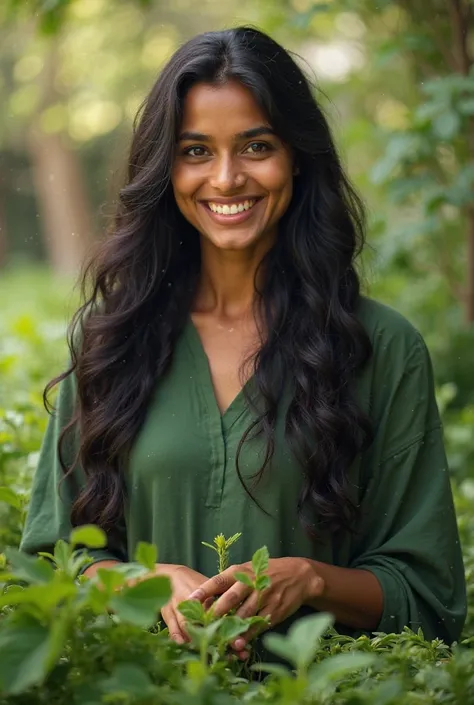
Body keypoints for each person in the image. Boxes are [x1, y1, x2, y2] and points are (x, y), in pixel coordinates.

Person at [20, 26, 466, 658]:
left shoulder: (382, 347)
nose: (227, 178)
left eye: (256, 146)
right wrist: (139, 581)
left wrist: (310, 580)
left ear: (298, 157)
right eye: (196, 151)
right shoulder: (112, 342)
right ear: (164, 169)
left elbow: (430, 596)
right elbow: (50, 569)